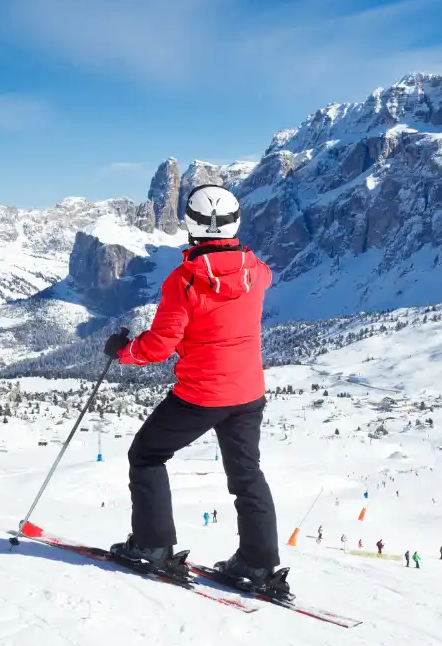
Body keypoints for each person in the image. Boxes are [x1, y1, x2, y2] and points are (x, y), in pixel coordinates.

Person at [104, 185, 282, 591]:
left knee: (146, 455)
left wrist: (123, 351)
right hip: (249, 393)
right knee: (247, 475)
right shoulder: (257, 270)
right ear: (235, 222)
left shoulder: (184, 281)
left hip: (201, 394)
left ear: (189, 225)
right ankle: (258, 564)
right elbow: (248, 282)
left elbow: (159, 345)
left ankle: (153, 546)